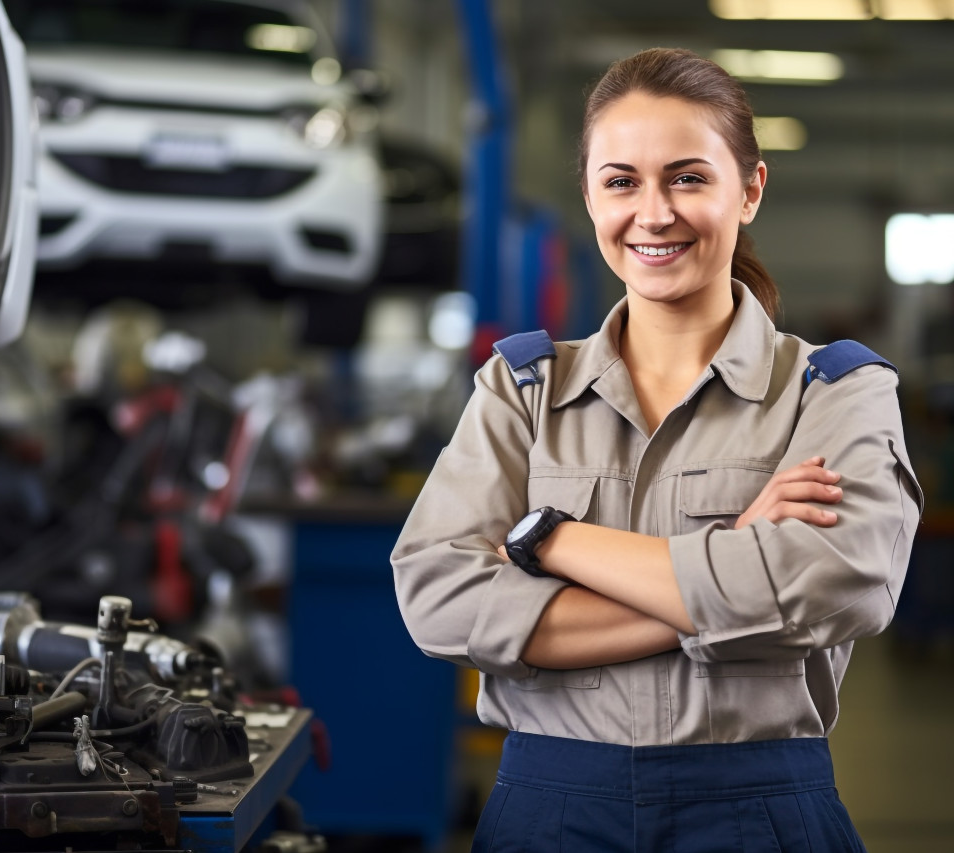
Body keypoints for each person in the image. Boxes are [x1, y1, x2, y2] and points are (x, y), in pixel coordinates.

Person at [391, 47, 923, 852]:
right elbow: (437, 597)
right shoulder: (523, 391)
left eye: (688, 177)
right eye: (621, 181)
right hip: (549, 811)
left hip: (760, 811)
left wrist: (553, 540)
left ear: (749, 189)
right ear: (590, 195)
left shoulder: (835, 392)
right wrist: (737, 563)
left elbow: (843, 583)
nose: (654, 212)